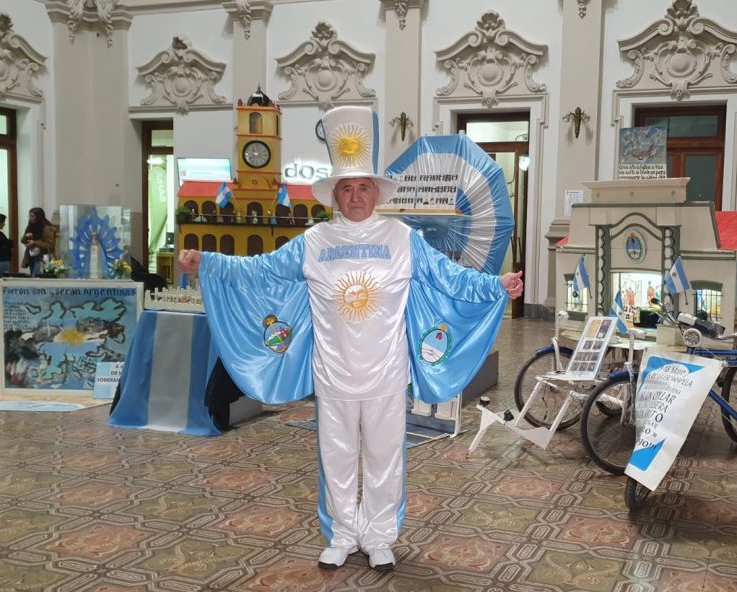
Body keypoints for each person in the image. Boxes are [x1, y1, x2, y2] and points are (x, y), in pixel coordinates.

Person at [178, 106, 523, 573]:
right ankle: (341, 533)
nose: (356, 195)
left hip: (386, 371)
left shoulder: (403, 238)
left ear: (376, 192)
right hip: (333, 373)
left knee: (385, 457)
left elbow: (450, 278)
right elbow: (258, 270)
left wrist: (495, 285)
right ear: (335, 195)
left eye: (364, 187)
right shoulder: (313, 241)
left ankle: (380, 535)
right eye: (347, 188)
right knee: (336, 457)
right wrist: (211, 263)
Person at [21, 207, 58, 277]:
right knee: (33, 277)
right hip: (31, 256)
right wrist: (26, 237)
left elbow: (50, 245)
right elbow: (22, 241)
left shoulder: (47, 228)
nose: (30, 218)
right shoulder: (30, 227)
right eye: (29, 216)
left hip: (43, 258)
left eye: (32, 216)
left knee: (37, 278)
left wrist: (35, 243)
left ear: (38, 217)